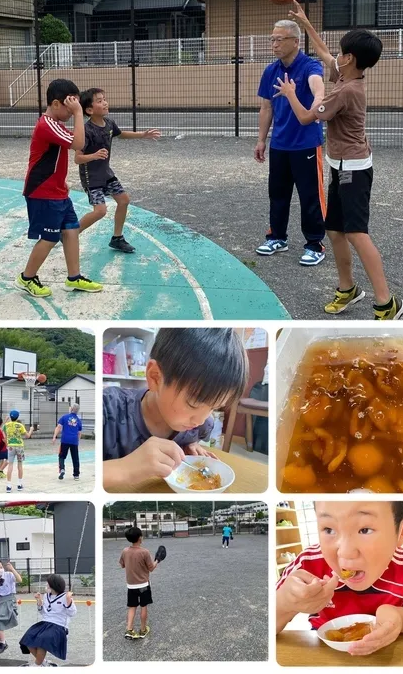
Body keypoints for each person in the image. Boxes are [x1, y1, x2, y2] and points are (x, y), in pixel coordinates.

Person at [275, 1, 403, 320]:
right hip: (340, 167)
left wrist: (291, 92)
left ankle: (386, 303)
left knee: (357, 233)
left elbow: (307, 117)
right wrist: (306, 23)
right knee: (334, 231)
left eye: (341, 51)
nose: (335, 54)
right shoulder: (347, 73)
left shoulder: (345, 92)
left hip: (353, 171)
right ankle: (348, 289)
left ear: (349, 59)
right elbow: (324, 54)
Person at [276, 502, 403, 655]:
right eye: (329, 529)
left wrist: (402, 619)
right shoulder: (307, 565)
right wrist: (284, 603)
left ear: (402, 532)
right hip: (325, 655)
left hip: (387, 655)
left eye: (365, 530)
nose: (345, 552)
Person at [103, 329, 248, 492]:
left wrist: (190, 447)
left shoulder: (200, 426)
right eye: (193, 404)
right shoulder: (108, 410)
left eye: (214, 407)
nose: (200, 420)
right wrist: (125, 468)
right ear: (155, 377)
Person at [16, 79, 103, 298]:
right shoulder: (48, 125)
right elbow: (79, 144)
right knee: (49, 237)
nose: (72, 110)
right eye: (69, 105)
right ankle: (27, 278)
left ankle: (74, 278)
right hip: (42, 194)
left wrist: (60, 182)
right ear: (56, 104)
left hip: (56, 192)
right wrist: (78, 114)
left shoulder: (56, 125)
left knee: (72, 230)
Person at [255, 18, 326, 266]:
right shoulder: (271, 70)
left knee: (310, 196)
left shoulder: (310, 66)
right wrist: (261, 140)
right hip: (280, 144)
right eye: (272, 39)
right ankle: (277, 237)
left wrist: (319, 98)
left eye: (279, 39)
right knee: (278, 193)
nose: (274, 44)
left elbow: (317, 86)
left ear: (295, 42)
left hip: (306, 144)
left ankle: (315, 243)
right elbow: (266, 107)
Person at [75, 88, 161, 253]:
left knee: (124, 200)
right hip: (91, 177)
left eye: (104, 99)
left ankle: (117, 238)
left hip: (106, 173)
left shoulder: (109, 123)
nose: (105, 102)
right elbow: (77, 158)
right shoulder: (86, 131)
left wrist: (143, 135)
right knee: (100, 211)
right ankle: (71, 234)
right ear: (89, 110)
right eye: (99, 101)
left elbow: (121, 134)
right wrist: (93, 155)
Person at [19, 574, 77, 666]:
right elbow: (43, 612)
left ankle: (37, 665)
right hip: (45, 623)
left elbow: (72, 613)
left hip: (59, 625)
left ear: (53, 585)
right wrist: (39, 602)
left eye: (48, 584)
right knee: (28, 638)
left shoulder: (65, 597)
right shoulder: (46, 596)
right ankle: (44, 663)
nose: (46, 585)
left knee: (43, 640)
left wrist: (69, 601)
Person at [120, 526, 160, 640]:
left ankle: (129, 630)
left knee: (132, 607)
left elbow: (122, 565)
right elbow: (151, 568)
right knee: (143, 606)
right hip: (143, 585)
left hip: (131, 585)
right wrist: (157, 561)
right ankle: (143, 630)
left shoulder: (125, 551)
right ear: (139, 538)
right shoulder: (145, 552)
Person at [3, 410, 34, 493]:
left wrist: (6, 420)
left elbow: (3, 431)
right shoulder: (20, 425)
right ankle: (19, 484)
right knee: (20, 465)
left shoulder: (6, 425)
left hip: (10, 447)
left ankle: (8, 486)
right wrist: (31, 429)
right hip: (19, 446)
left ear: (10, 416)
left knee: (10, 465)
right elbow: (27, 436)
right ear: (17, 417)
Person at [52, 403, 82, 481]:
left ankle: (62, 469)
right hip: (74, 441)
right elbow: (79, 433)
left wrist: (54, 436)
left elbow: (58, 427)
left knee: (61, 456)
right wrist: (77, 440)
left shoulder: (65, 417)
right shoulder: (78, 421)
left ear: (71, 409)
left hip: (65, 440)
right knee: (75, 458)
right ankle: (76, 475)